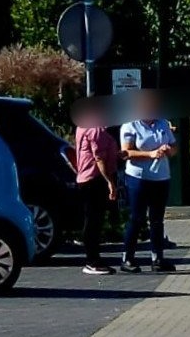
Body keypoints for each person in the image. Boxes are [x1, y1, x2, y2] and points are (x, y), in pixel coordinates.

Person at [120, 111, 178, 272]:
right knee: (137, 218)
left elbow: (174, 147)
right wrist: (150, 154)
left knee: (157, 219)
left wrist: (168, 150)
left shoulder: (162, 123)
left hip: (161, 177)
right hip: (139, 177)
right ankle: (128, 258)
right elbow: (126, 153)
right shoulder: (130, 125)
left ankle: (157, 258)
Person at [73, 124, 119, 275]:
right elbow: (99, 157)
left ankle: (93, 259)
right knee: (94, 220)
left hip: (84, 178)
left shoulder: (83, 126)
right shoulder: (95, 128)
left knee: (93, 219)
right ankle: (92, 261)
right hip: (94, 178)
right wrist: (109, 182)